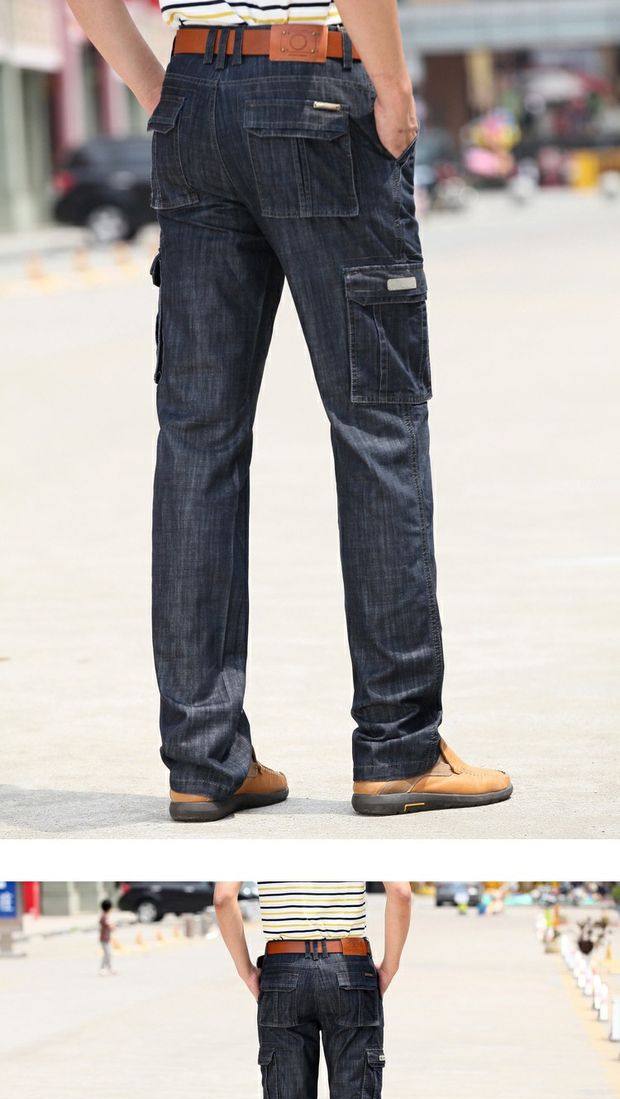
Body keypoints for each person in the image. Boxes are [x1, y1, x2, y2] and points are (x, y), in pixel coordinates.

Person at [67, 0, 512, 820]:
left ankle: (204, 760)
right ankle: (399, 750)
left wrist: (157, 87)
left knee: (197, 441)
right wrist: (393, 88)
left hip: (193, 99)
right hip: (318, 92)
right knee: (378, 425)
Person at [214, 880, 412, 1099]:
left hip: (282, 970)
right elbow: (400, 891)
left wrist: (246, 970)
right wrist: (390, 966)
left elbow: (223, 897)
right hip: (349, 967)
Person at [98, 898, 115, 974]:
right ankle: (102, 968)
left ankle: (109, 968)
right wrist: (112, 926)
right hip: (104, 939)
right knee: (107, 954)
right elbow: (107, 925)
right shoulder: (104, 917)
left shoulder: (105, 916)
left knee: (108, 954)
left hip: (106, 938)